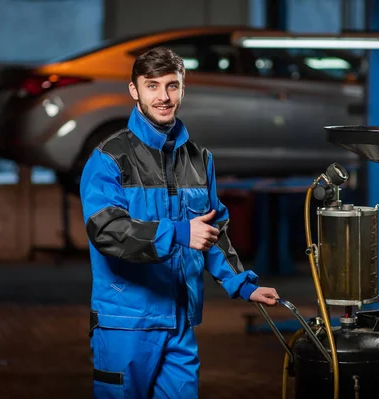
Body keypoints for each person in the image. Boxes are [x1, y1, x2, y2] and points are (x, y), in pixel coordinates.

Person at [80, 46, 279, 398]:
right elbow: (107, 232)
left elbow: (213, 230)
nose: (163, 96)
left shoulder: (200, 159)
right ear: (134, 91)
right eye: (152, 86)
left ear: (183, 89)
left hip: (180, 321)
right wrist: (178, 233)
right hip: (127, 323)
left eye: (172, 86)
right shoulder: (109, 159)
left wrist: (242, 284)